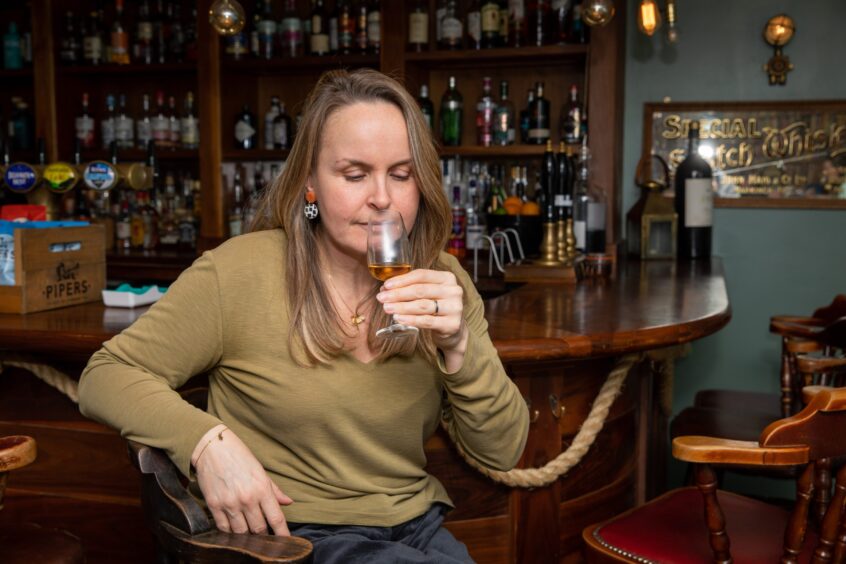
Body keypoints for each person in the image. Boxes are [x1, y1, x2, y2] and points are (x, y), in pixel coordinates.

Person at [78, 68, 529, 563]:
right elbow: (105, 376)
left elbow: (504, 451)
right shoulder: (240, 270)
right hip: (287, 536)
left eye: (401, 174)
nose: (382, 197)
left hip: (415, 529)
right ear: (310, 184)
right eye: (354, 174)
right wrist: (208, 442)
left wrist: (459, 347)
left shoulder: (443, 280)